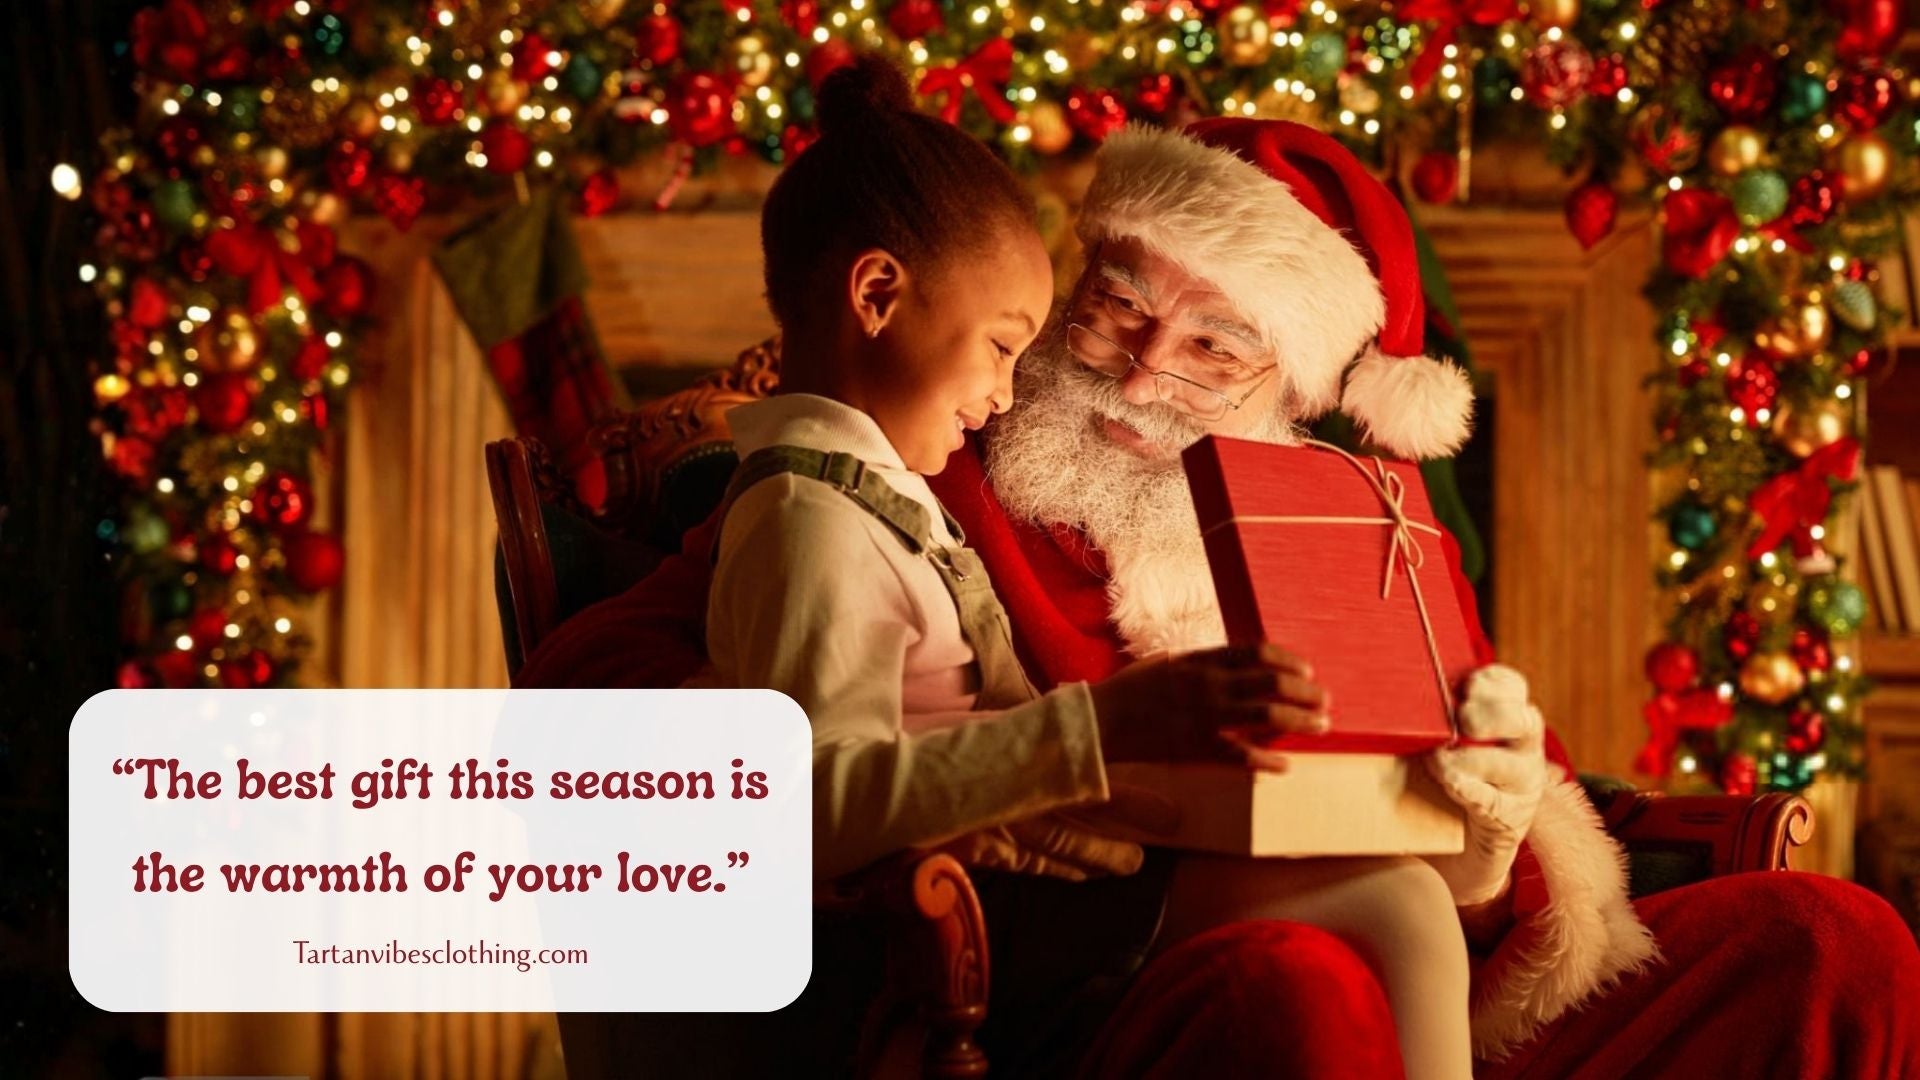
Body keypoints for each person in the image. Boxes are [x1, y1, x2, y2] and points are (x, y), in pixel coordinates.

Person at [520, 116, 1920, 1076]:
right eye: (1116, 307)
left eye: (1213, 346)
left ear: (1298, 393)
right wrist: (997, 783)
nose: (1136, 377)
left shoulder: (1369, 528)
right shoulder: (931, 466)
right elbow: (621, 685)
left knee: (1832, 943)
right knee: (1303, 991)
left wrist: (1491, 822)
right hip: (1134, 992)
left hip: (1452, 989)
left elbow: (1516, 863)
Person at [704, 57, 1482, 1078]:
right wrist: (1103, 731)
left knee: (1406, 897)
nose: (1007, 385)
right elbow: (800, 806)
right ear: (879, 294)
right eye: (1002, 343)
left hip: (1044, 870)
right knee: (1400, 907)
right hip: (954, 928)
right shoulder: (811, 513)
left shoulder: (875, 498)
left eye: (1213, 346)